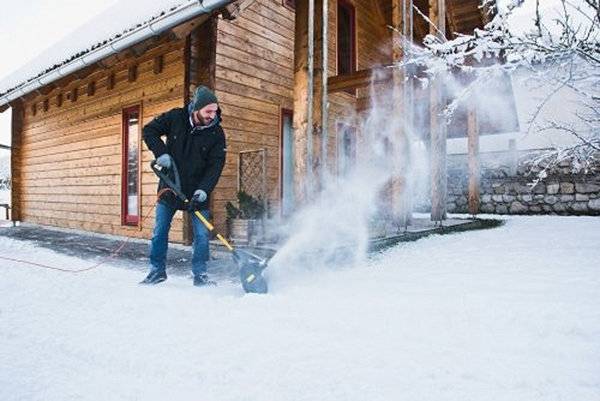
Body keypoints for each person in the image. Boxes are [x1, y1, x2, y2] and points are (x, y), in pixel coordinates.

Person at [140, 86, 227, 286]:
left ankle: (200, 275)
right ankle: (156, 271)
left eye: (215, 111)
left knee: (202, 235)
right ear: (196, 108)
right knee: (160, 230)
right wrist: (161, 153)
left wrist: (204, 190)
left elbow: (216, 166)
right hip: (171, 186)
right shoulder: (175, 117)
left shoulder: (216, 133)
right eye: (208, 111)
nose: (212, 115)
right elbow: (149, 131)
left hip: (198, 192)